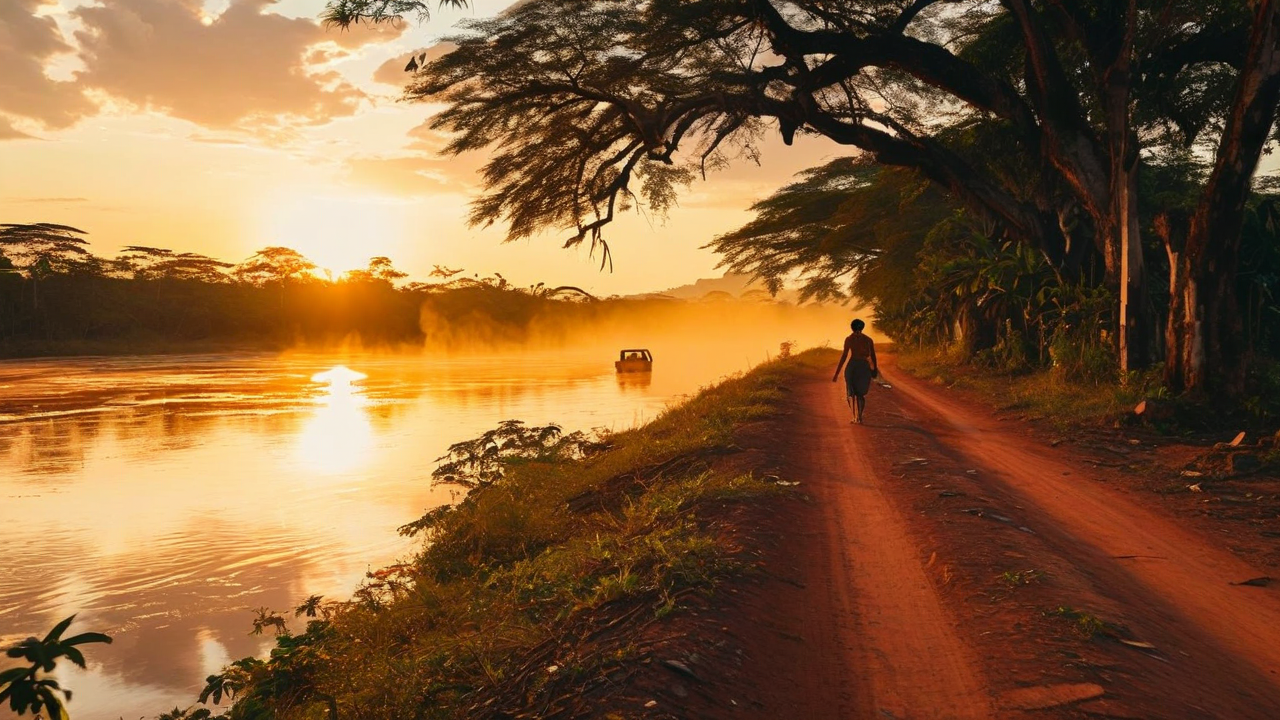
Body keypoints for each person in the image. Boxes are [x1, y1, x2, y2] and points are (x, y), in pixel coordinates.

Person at [832, 319, 878, 424]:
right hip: (863, 367)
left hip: (853, 366)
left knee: (851, 393)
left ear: (852, 327)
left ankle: (855, 417)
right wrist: (874, 369)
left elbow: (844, 356)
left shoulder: (849, 339)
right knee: (860, 394)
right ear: (862, 327)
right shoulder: (868, 339)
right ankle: (859, 417)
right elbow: (873, 356)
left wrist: (836, 373)